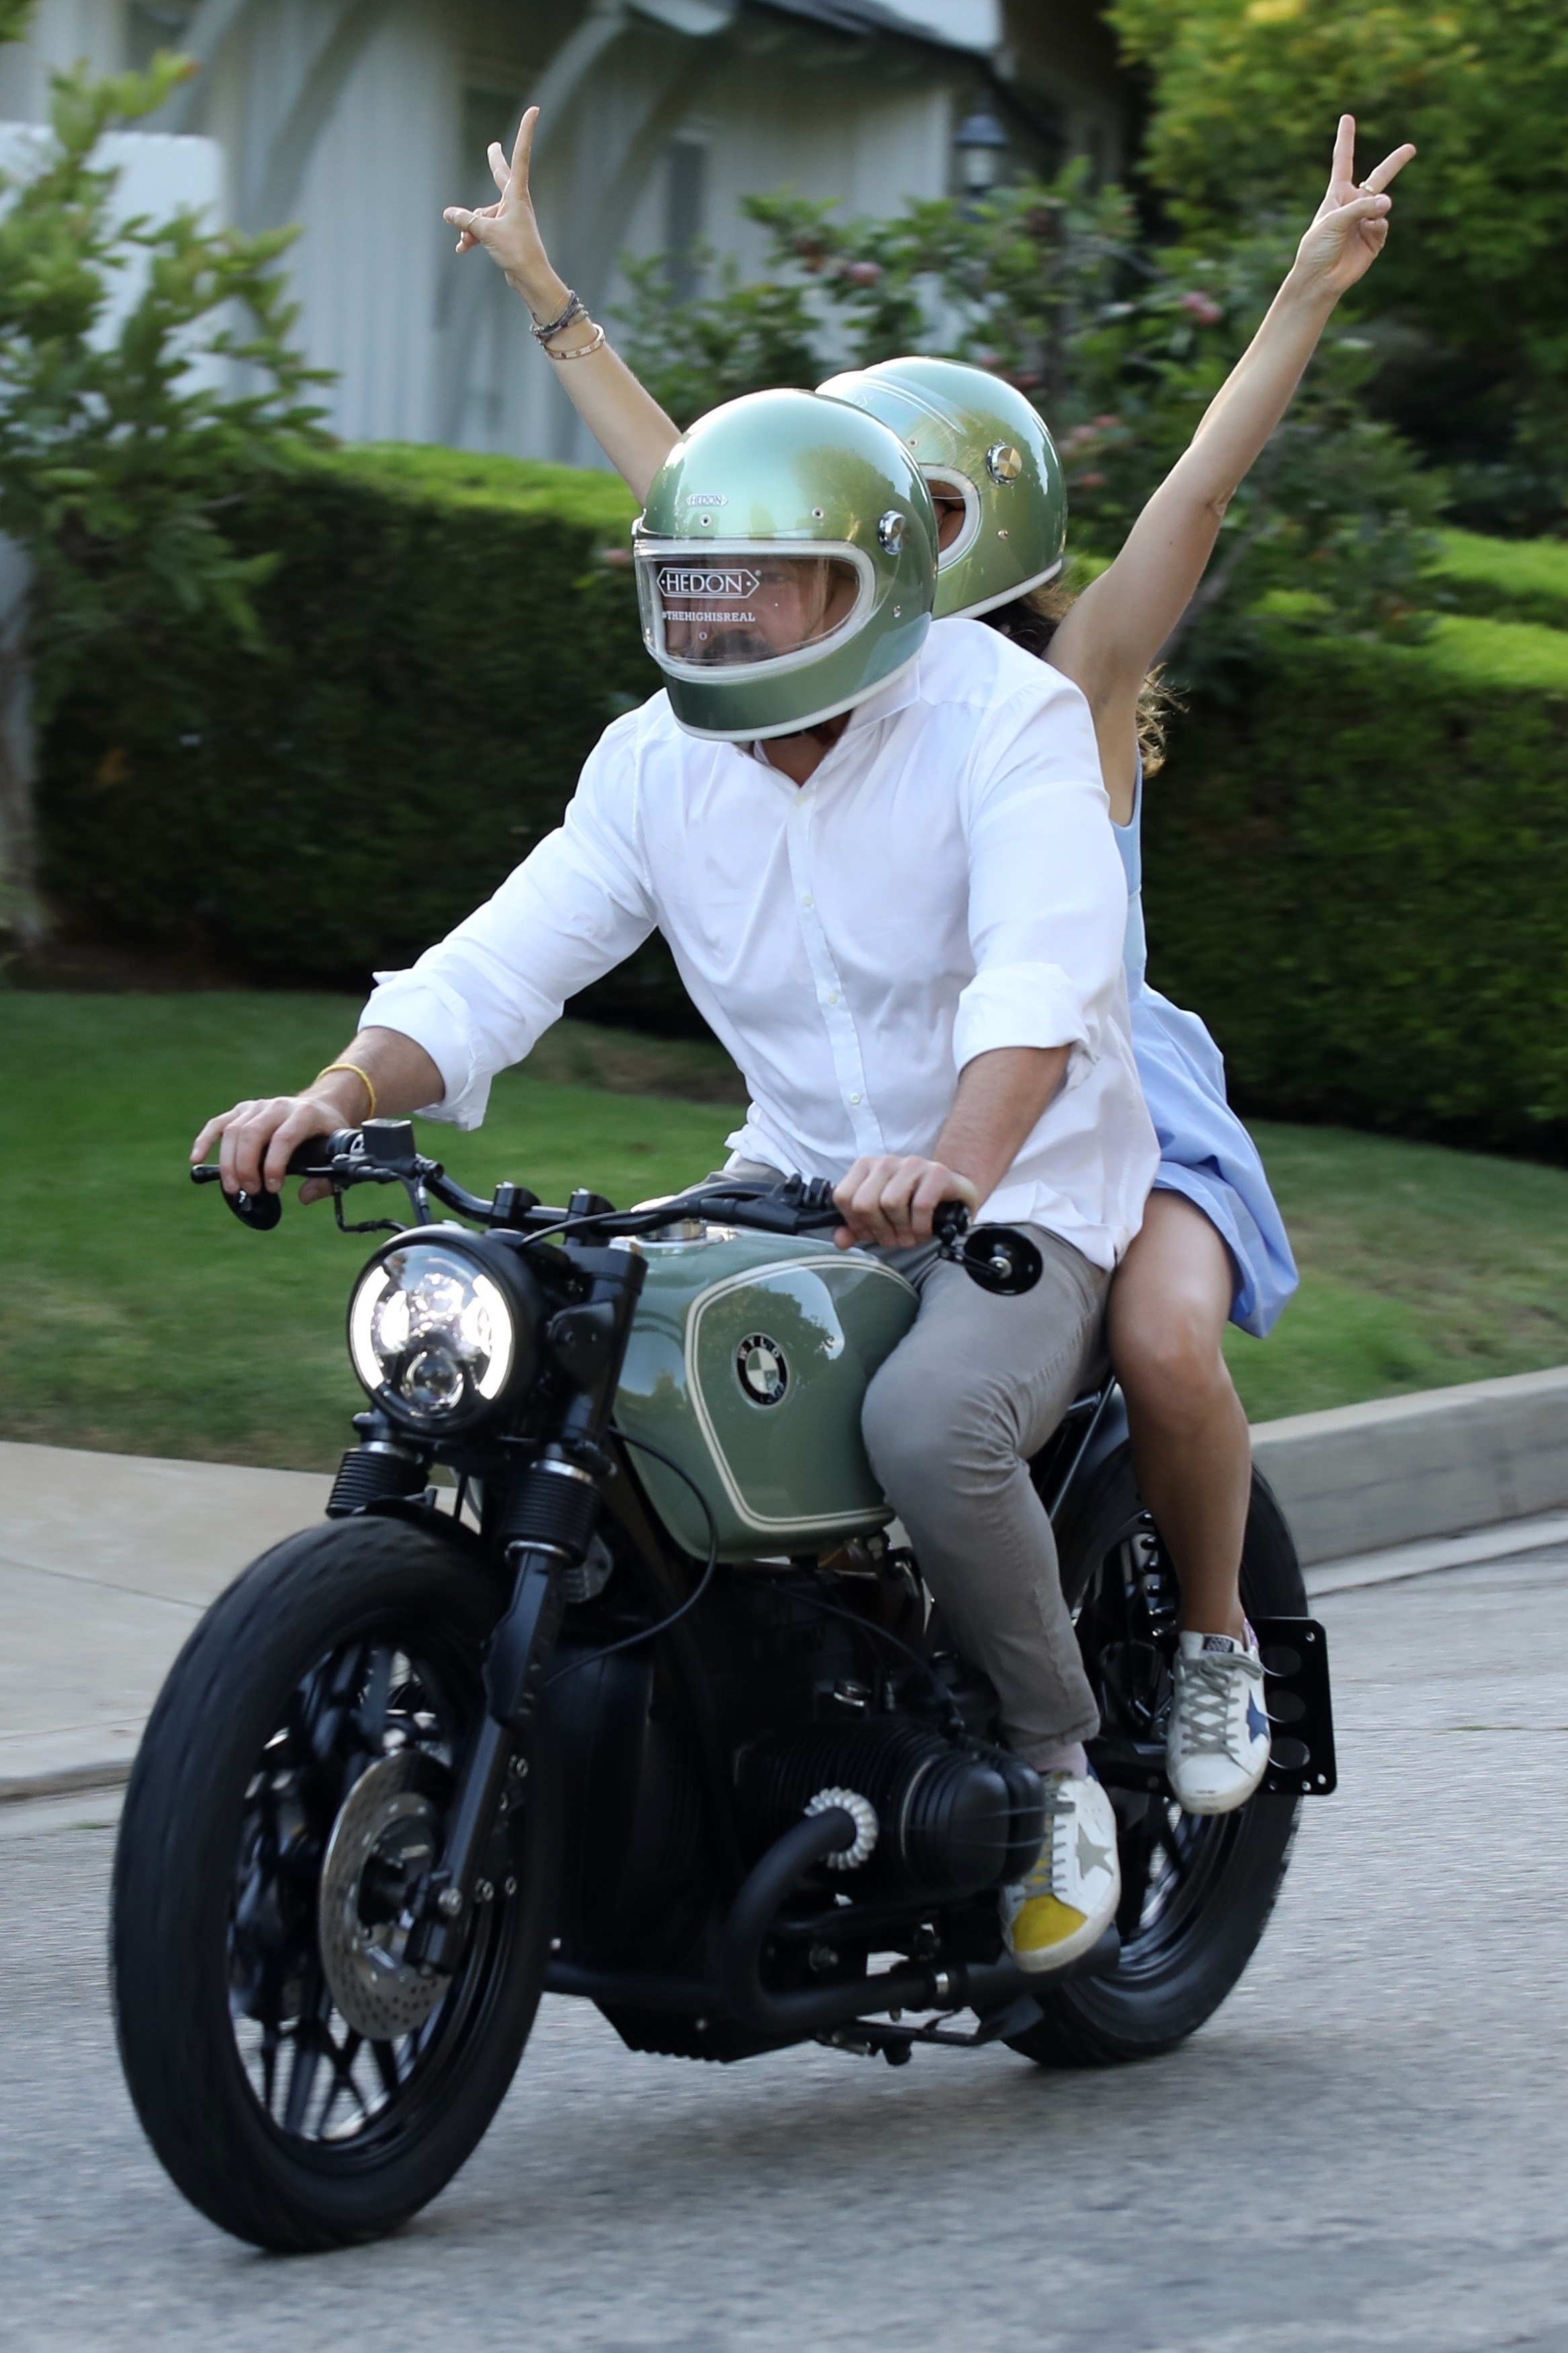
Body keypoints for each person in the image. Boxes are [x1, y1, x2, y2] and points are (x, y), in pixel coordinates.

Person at [440, 108, 1413, 1816]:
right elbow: (686, 490)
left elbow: (1198, 489)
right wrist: (546, 295)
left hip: (1105, 1087)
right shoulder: (803, 663)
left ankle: (1210, 1638)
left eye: (937, 494)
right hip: (888, 1106)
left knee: (1173, 1347)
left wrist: (1306, 292)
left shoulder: (1070, 678)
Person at [193, 387, 1158, 1976]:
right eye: (690, 588)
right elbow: (505, 958)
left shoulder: (1006, 715)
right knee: (572, 1369)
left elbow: (1043, 974)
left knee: (929, 1423)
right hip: (790, 1172)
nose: (722, 621)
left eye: (765, 582)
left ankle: (1057, 1767)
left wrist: (960, 1166)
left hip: (1025, 1189)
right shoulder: (657, 763)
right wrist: (339, 1090)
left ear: (872, 580)